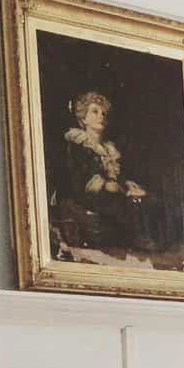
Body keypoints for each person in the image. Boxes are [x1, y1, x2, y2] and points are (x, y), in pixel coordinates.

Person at [62, 91, 158, 253]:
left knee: (147, 198)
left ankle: (142, 237)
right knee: (122, 205)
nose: (101, 116)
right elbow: (80, 181)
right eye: (95, 111)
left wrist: (126, 183)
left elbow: (116, 176)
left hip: (109, 195)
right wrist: (108, 186)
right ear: (83, 118)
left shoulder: (109, 149)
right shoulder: (78, 143)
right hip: (87, 199)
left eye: (104, 113)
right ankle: (136, 238)